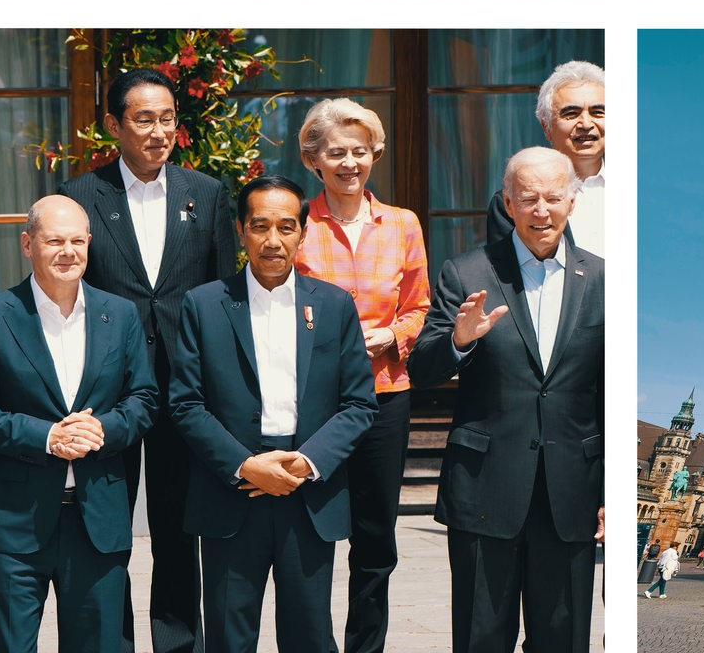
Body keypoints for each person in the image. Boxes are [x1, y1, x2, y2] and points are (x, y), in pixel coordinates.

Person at [57, 66, 238, 653]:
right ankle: (112, 641)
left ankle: (178, 643)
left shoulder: (206, 193)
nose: (158, 131)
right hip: (108, 390)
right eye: (143, 119)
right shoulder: (81, 197)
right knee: (106, 526)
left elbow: (223, 294)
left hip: (186, 387)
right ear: (114, 125)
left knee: (177, 528)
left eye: (167, 119)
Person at [169, 175, 377, 653]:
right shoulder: (204, 305)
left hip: (307, 491)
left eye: (286, 227)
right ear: (241, 231)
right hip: (233, 490)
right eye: (260, 226)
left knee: (309, 637)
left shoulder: (333, 305)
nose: (273, 240)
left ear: (303, 233)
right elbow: (185, 403)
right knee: (228, 636)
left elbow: (359, 403)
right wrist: (245, 465)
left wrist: (306, 462)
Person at [408, 147, 604, 653]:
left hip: (571, 492)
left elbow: (604, 389)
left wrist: (609, 489)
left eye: (553, 198)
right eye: (529, 198)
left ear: (572, 202)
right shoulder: (466, 272)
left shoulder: (604, 278)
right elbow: (421, 370)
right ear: (508, 203)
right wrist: (459, 339)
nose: (542, 210)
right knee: (480, 638)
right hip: (484, 488)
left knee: (563, 639)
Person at [0, 196, 157, 653]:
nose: (68, 251)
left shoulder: (119, 315)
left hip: (97, 518)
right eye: (54, 240)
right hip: (19, 521)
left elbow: (144, 398)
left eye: (77, 240)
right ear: (27, 243)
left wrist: (103, 430)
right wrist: (48, 437)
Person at [292, 99, 431, 653]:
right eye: (335, 152)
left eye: (359, 150)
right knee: (312, 530)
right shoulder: (297, 221)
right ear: (314, 161)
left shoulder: (402, 224)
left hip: (383, 397)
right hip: (314, 400)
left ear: (374, 154)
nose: (349, 162)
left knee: (375, 537)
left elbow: (420, 307)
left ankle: (364, 646)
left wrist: (392, 336)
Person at [486, 60, 605, 257]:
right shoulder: (513, 203)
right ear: (546, 127)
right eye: (571, 114)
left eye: (597, 112)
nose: (585, 124)